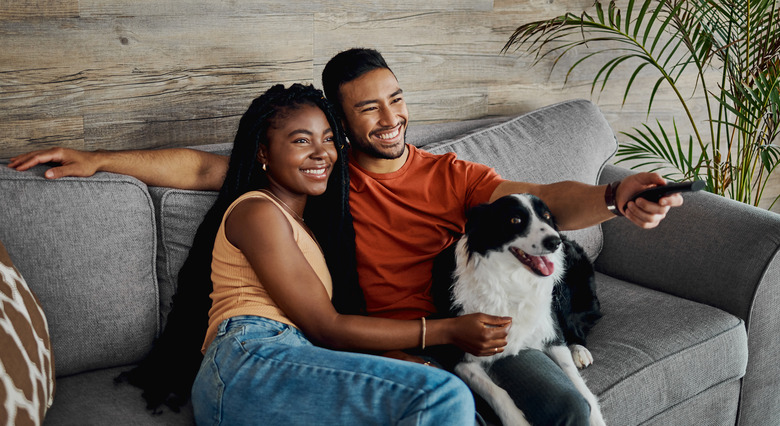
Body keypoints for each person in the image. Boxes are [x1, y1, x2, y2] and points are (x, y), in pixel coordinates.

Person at [9, 49, 684, 424]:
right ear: (343, 121)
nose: (390, 119)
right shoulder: (318, 182)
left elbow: (541, 200)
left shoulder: (450, 175)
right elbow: (204, 167)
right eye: (367, 109)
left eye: (395, 99)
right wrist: (99, 159)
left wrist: (612, 197)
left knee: (566, 407)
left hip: (459, 333)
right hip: (387, 345)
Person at [174, 83, 511, 425]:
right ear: (263, 152)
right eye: (302, 140)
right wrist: (448, 331)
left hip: (296, 358)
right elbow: (326, 326)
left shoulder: (305, 226)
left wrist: (390, 357)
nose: (323, 153)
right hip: (251, 360)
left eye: (329, 138)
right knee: (442, 393)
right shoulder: (258, 212)